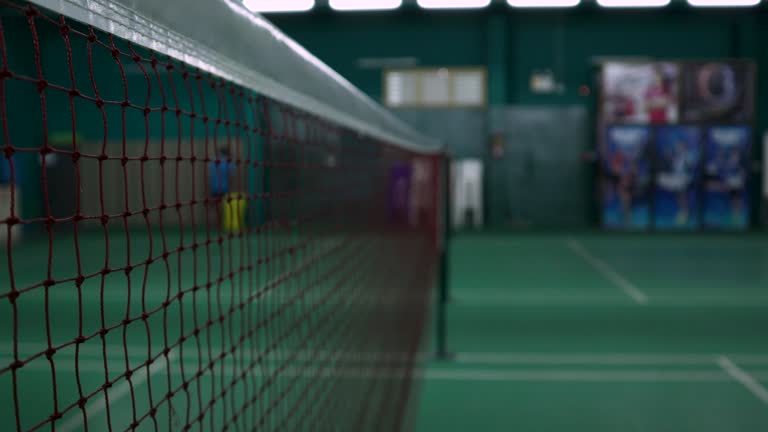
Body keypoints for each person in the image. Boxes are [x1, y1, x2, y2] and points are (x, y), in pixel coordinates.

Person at [208, 147, 234, 226]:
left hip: (214, 187)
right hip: (225, 188)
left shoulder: (214, 162)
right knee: (223, 207)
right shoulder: (229, 162)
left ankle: (216, 224)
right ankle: (221, 224)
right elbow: (231, 177)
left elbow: (210, 175)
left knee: (215, 207)